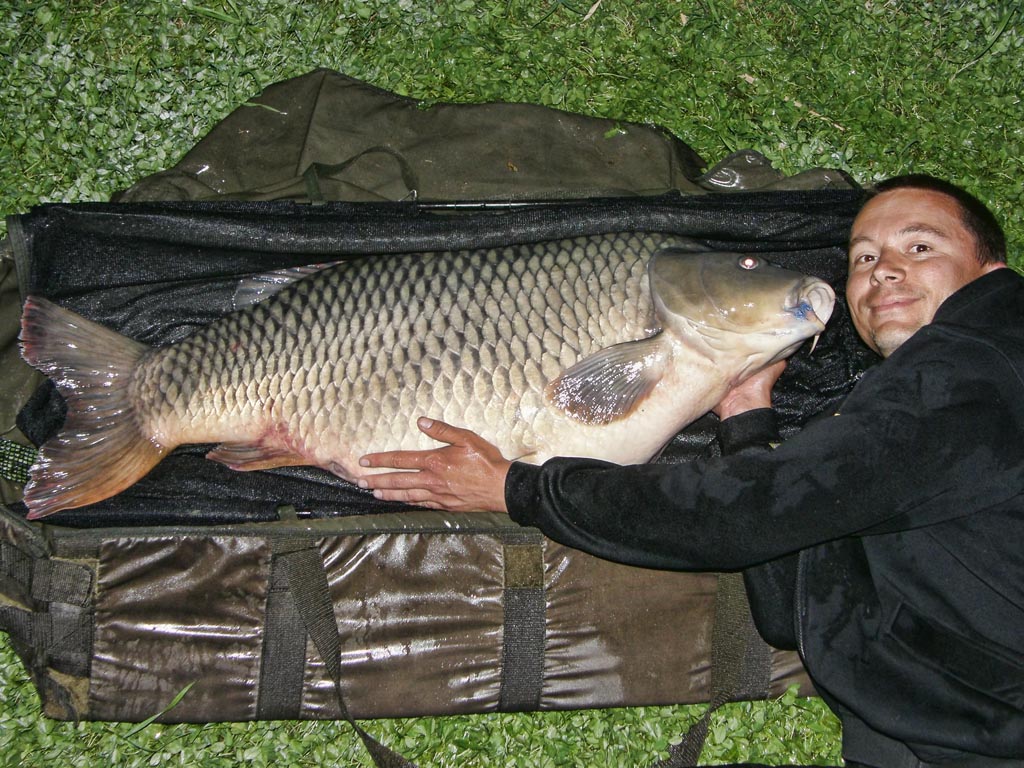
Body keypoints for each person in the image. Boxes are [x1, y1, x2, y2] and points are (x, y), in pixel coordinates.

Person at [358, 174, 1024, 766]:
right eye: (864, 258)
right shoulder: (944, 390)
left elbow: (739, 517)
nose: (881, 272)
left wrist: (516, 488)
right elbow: (789, 598)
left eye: (920, 247)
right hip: (941, 718)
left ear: (990, 269)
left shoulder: (971, 370)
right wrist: (748, 420)